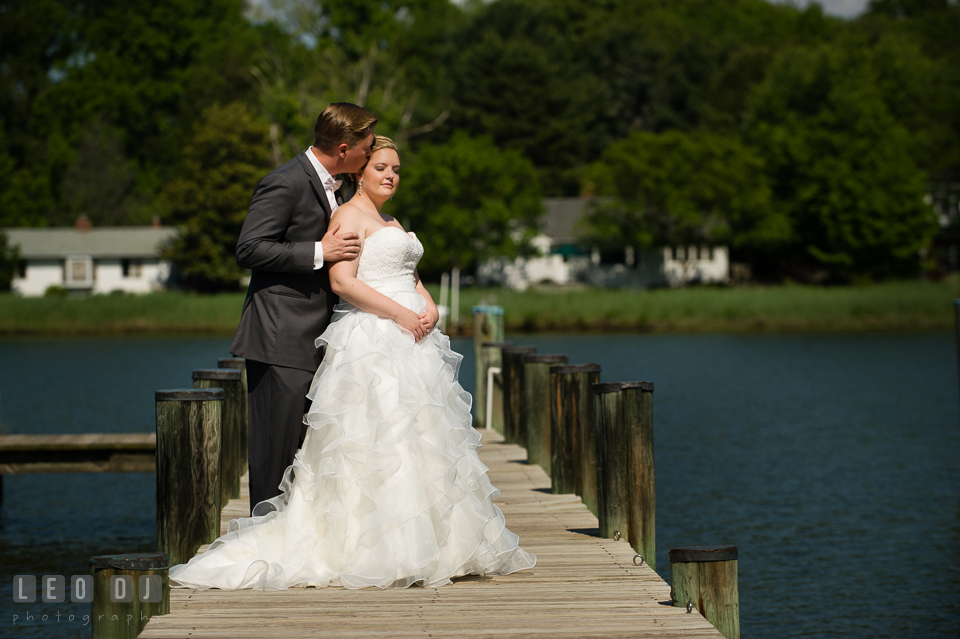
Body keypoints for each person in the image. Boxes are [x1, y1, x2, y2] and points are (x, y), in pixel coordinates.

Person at [170, 136, 536, 590]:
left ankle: (434, 542)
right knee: (374, 436)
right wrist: (400, 313)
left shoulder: (392, 220)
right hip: (372, 336)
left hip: (414, 340)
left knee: (420, 437)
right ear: (359, 171)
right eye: (381, 166)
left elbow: (411, 274)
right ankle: (374, 547)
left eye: (397, 169)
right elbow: (342, 282)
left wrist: (429, 305)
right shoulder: (346, 216)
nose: (390, 176)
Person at [230, 103, 376, 513]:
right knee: (274, 454)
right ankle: (262, 543)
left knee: (307, 454)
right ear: (344, 148)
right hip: (280, 339)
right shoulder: (285, 182)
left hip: (320, 339)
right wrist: (320, 250)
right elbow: (249, 248)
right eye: (366, 149)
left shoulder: (343, 187)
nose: (369, 155)